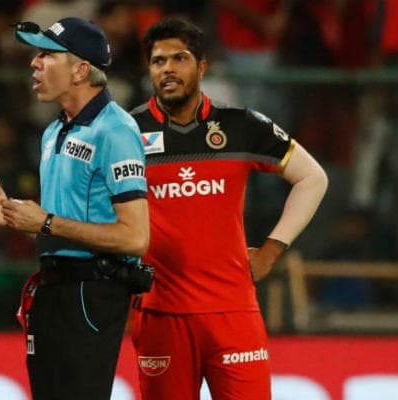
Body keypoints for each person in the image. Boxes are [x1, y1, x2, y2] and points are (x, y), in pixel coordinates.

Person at [129, 17, 328, 400]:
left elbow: (313, 178)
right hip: (161, 314)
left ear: (202, 67)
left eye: (179, 58)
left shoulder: (240, 125)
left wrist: (272, 250)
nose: (168, 69)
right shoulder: (126, 132)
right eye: (158, 61)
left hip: (233, 312)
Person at [0, 17, 150, 400]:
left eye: (47, 55)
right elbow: (58, 227)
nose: (34, 63)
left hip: (92, 293)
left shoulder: (116, 131)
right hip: (51, 289)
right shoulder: (52, 131)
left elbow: (135, 238)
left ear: (80, 70)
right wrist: (17, 218)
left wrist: (46, 221)